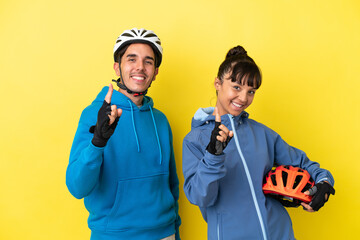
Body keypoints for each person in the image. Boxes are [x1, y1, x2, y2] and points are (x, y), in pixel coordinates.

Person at [182, 45, 335, 240]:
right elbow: (200, 196)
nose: (243, 98)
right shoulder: (195, 140)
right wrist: (213, 156)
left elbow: (304, 163)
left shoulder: (262, 133)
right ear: (217, 83)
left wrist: (323, 182)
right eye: (236, 87)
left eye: (251, 91)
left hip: (280, 233)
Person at [66, 28, 181, 240]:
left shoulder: (160, 121)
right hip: (113, 235)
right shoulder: (95, 115)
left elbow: (171, 185)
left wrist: (175, 231)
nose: (140, 67)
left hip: (165, 233)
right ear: (117, 68)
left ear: (155, 72)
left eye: (148, 61)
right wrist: (97, 142)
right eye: (132, 59)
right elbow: (76, 187)